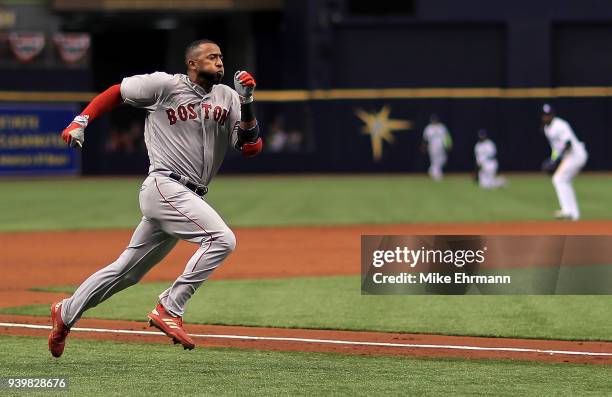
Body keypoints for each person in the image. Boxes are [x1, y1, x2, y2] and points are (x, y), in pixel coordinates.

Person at [48, 39, 263, 357]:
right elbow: (117, 91)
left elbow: (249, 147)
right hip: (165, 185)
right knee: (221, 239)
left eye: (221, 57)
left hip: (189, 195)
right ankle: (170, 308)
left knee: (127, 271)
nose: (219, 62)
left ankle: (64, 313)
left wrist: (247, 102)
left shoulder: (228, 97)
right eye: (211, 57)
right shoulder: (164, 85)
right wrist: (82, 120)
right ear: (192, 63)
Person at [540, 104, 587, 220]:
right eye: (544, 115)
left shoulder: (560, 125)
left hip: (576, 155)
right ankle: (574, 215)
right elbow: (556, 149)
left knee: (558, 179)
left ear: (553, 115)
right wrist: (553, 159)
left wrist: (554, 160)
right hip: (570, 156)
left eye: (548, 115)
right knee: (564, 181)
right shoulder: (547, 129)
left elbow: (568, 144)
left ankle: (567, 210)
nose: (546, 117)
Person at [422, 114, 452, 181]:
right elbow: (425, 139)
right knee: (435, 161)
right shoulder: (428, 128)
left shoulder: (442, 127)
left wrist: (448, 145)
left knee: (443, 160)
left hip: (441, 147)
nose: (434, 121)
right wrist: (424, 147)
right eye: (433, 120)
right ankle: (438, 175)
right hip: (432, 147)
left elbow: (447, 137)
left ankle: (431, 170)